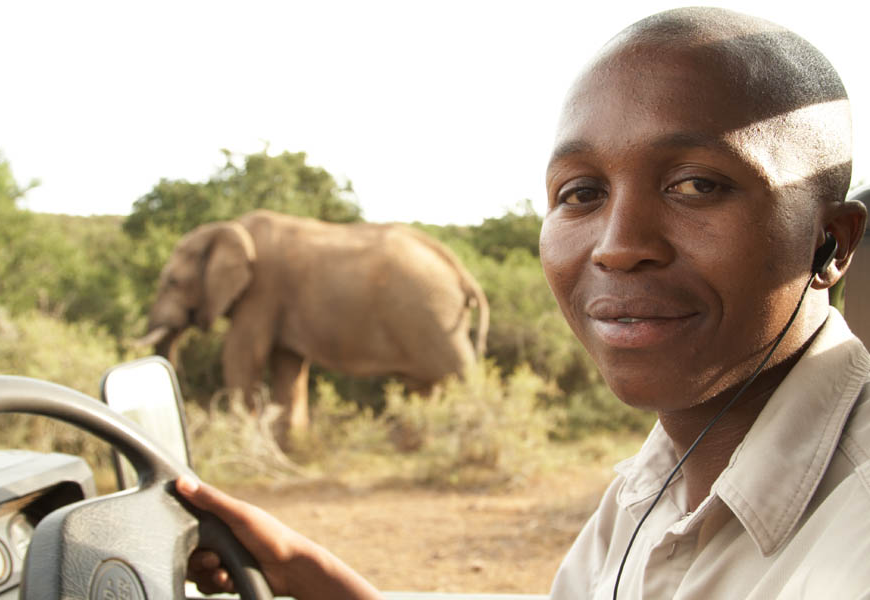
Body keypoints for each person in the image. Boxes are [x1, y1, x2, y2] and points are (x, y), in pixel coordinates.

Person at [176, 7, 870, 599]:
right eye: (580, 193)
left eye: (695, 185)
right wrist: (312, 573)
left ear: (831, 244)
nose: (617, 246)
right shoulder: (654, 479)